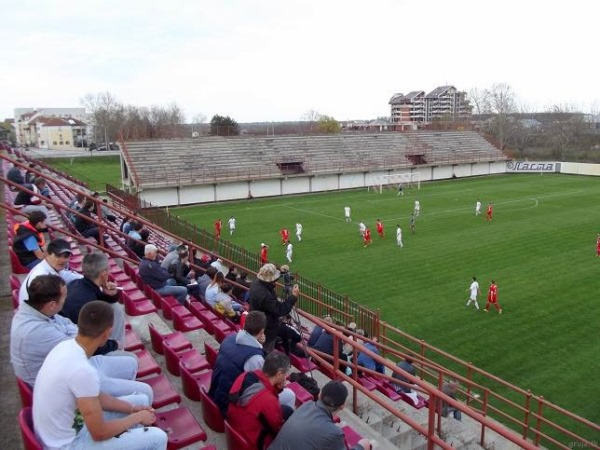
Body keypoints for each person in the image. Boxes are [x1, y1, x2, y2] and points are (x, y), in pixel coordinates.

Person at [32, 300, 168, 449]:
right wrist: (136, 417)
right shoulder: (83, 370)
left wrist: (132, 409)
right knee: (158, 438)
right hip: (67, 444)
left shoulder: (65, 347)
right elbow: (99, 433)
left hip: (62, 429)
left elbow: (96, 396)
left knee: (140, 399)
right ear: (107, 333)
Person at [11, 275, 152, 401]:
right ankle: (125, 405)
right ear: (52, 305)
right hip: (64, 383)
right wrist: (106, 343)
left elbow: (68, 325)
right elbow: (82, 346)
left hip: (71, 366)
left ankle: (123, 397)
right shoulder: (37, 331)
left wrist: (75, 335)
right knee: (145, 393)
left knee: (131, 361)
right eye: (64, 297)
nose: (66, 299)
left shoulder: (40, 311)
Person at [269, 381, 372, 450]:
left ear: (319, 395)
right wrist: (361, 446)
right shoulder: (334, 434)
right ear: (342, 406)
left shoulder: (306, 406)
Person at [61, 252, 126, 351]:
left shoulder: (76, 283)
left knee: (115, 307)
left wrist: (112, 294)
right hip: (77, 346)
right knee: (131, 359)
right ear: (104, 274)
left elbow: (105, 298)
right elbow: (89, 343)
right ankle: (117, 350)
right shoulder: (90, 305)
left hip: (69, 336)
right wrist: (114, 345)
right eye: (108, 270)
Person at [227, 352, 292, 450]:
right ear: (279, 374)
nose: (286, 377)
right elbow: (277, 429)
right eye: (285, 374)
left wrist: (278, 388)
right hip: (251, 442)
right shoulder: (269, 401)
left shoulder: (245, 375)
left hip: (235, 429)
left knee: (286, 410)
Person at [209, 311, 267, 416]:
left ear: (244, 325)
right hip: (227, 405)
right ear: (262, 331)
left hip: (215, 392)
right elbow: (261, 387)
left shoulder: (229, 338)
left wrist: (259, 343)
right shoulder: (255, 358)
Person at [248, 263, 299, 353]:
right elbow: (280, 310)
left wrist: (280, 271)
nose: (276, 281)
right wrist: (293, 297)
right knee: (266, 351)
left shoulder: (256, 283)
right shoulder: (265, 295)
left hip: (259, 321)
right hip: (267, 328)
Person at [18, 238, 83, 304]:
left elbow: (67, 275)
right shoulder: (42, 278)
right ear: (47, 255)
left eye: (66, 256)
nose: (62, 260)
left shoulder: (51, 267)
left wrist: (87, 279)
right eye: (58, 255)